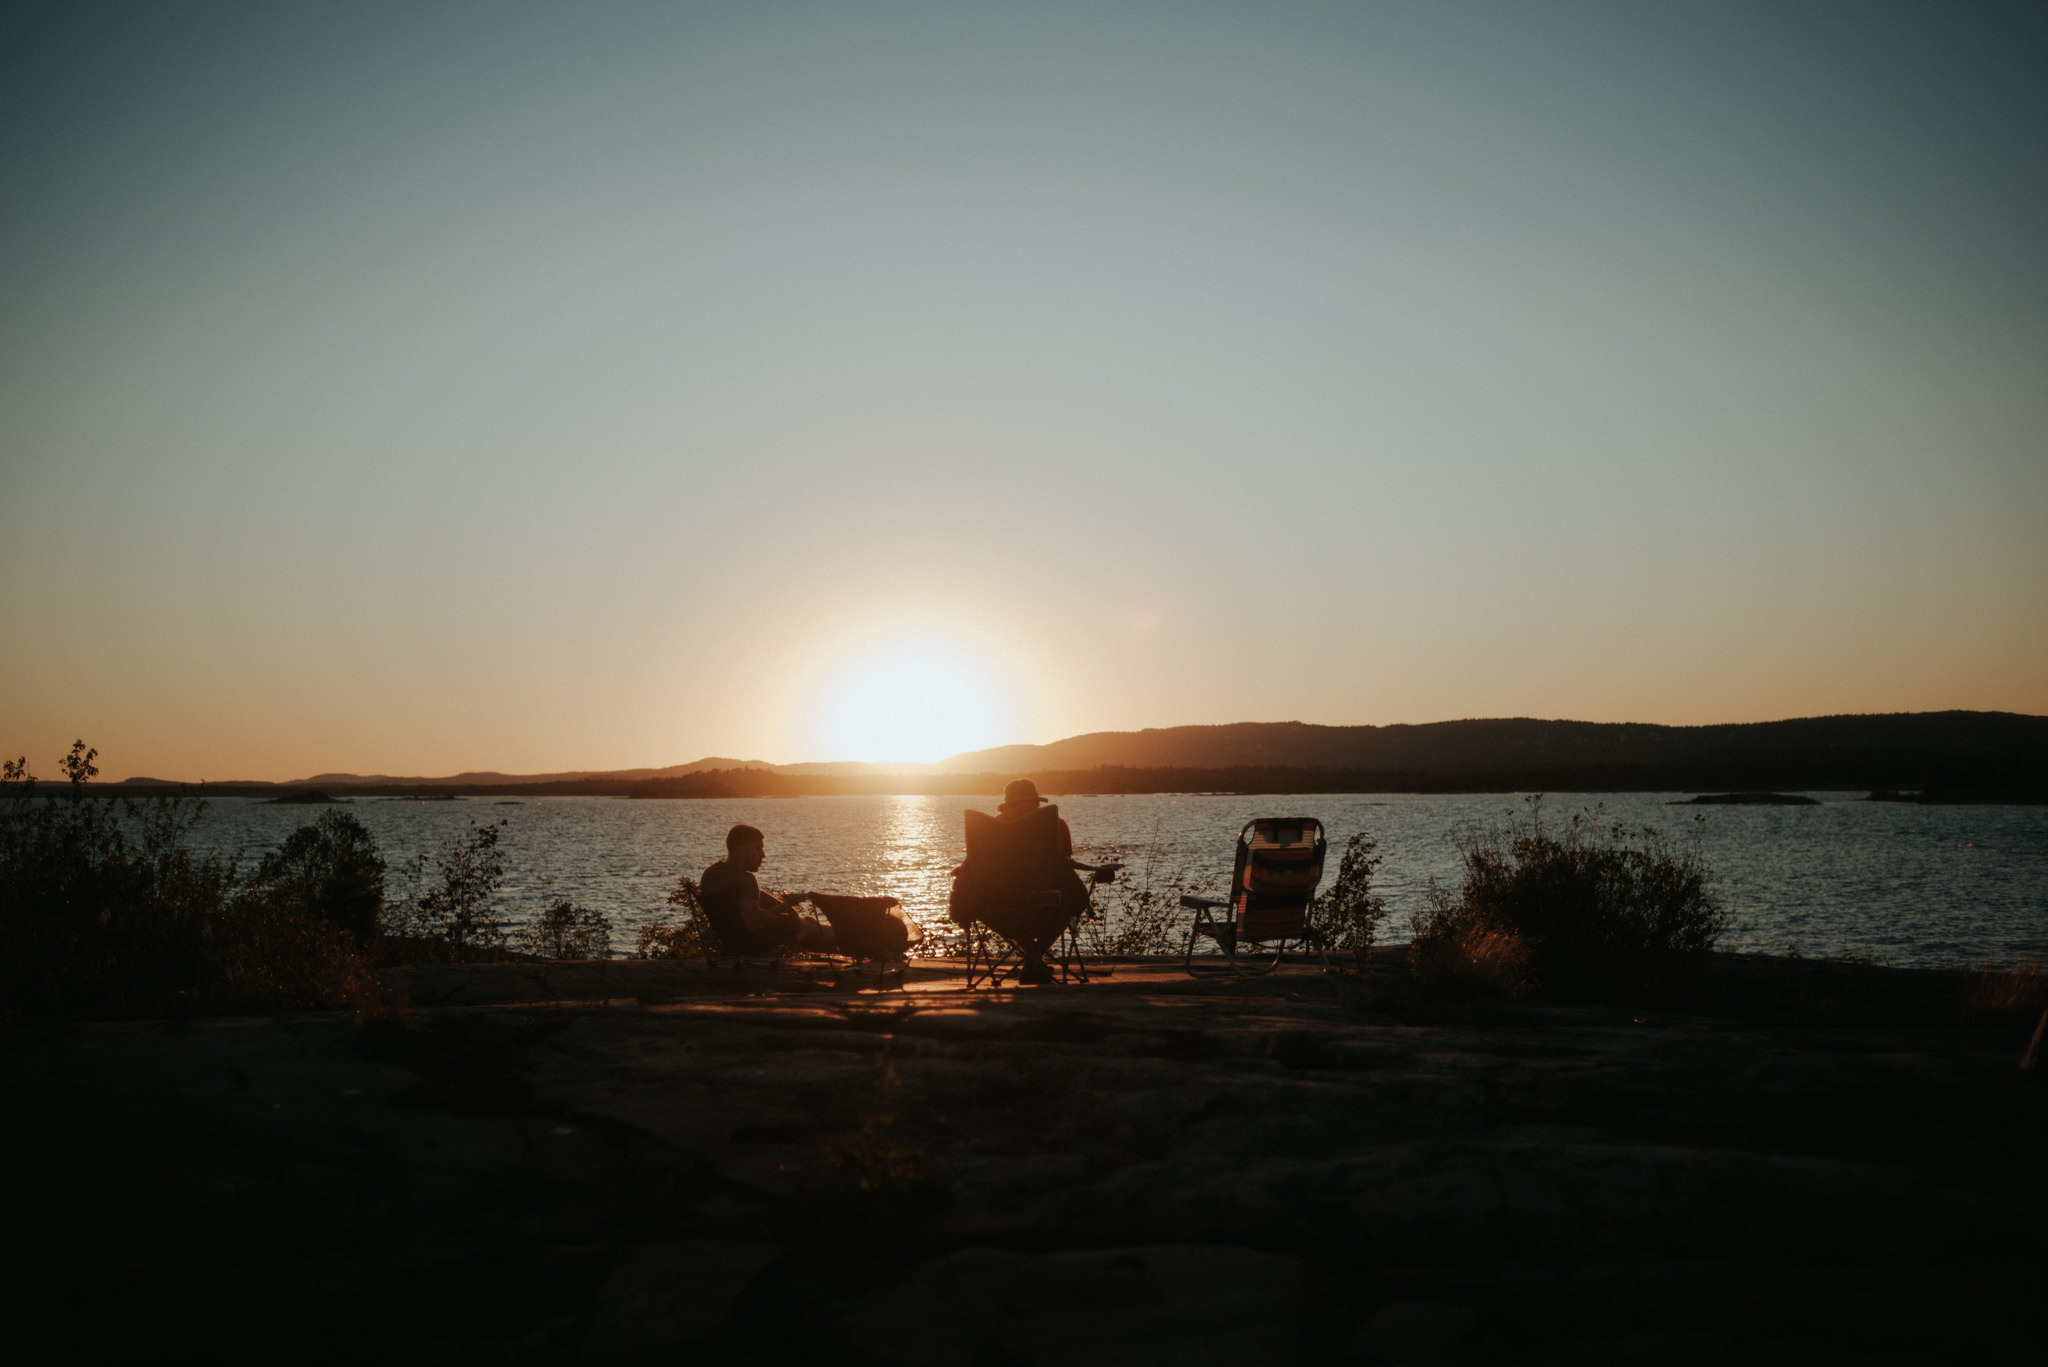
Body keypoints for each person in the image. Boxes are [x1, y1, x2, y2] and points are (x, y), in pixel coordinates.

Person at [949, 779, 1113, 984]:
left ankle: (1032, 958)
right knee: (1072, 903)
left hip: (998, 906)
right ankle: (1035, 958)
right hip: (1047, 906)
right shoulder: (1055, 825)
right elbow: (1064, 866)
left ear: (1008, 804)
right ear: (1035, 802)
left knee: (998, 908)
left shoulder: (990, 829)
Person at [699, 823, 837, 953]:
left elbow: (744, 900)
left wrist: (784, 906)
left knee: (805, 923)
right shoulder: (746, 880)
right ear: (740, 850)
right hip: (753, 942)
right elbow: (755, 923)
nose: (763, 855)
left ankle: (843, 946)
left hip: (730, 940)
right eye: (758, 848)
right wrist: (786, 905)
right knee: (808, 925)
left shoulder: (711, 874)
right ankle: (850, 939)